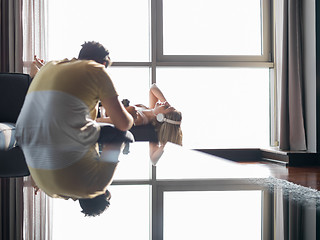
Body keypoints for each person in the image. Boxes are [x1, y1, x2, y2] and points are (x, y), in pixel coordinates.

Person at [16, 41, 134, 217]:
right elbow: (116, 125)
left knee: (121, 134)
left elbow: (122, 128)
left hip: (28, 129)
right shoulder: (54, 192)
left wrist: (126, 126)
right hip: (31, 155)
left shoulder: (51, 66)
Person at [97, 83, 183, 164]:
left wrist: (164, 146)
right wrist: (166, 102)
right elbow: (153, 88)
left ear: (160, 117)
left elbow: (101, 121)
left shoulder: (138, 119)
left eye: (166, 106)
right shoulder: (151, 111)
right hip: (101, 107)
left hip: (98, 113)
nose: (164, 103)